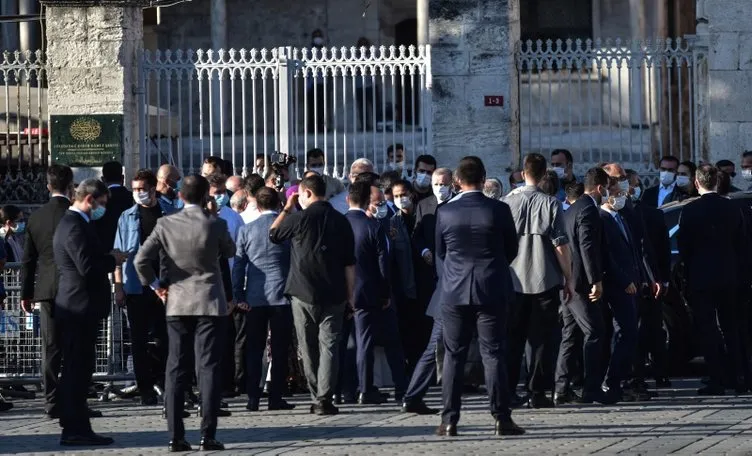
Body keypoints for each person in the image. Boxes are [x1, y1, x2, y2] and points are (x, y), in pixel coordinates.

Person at [135, 174, 236, 451]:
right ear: (206, 196)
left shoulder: (165, 223)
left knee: (175, 367)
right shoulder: (215, 223)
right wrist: (214, 218)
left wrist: (156, 286)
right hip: (209, 301)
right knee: (208, 368)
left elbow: (140, 259)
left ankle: (175, 436)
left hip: (177, 301)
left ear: (180, 196)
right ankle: (208, 434)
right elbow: (230, 251)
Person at [435, 156, 523, 437]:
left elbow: (440, 251)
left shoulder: (445, 212)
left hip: (454, 289)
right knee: (493, 353)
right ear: (484, 179)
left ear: (457, 181)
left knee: (453, 355)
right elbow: (512, 249)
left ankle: (449, 420)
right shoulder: (498, 209)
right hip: (491, 287)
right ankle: (501, 417)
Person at [269, 174, 356, 415]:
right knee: (329, 346)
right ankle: (325, 398)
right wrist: (351, 296)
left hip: (302, 291)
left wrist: (287, 208)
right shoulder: (341, 221)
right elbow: (350, 264)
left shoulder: (298, 218)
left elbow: (273, 234)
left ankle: (316, 394)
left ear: (306, 193)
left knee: (307, 347)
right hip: (335, 291)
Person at [53, 179, 127, 446]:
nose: (103, 209)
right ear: (90, 199)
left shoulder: (81, 223)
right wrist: (113, 260)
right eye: (103, 203)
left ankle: (77, 423)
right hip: (77, 306)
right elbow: (86, 265)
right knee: (76, 369)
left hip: (82, 306)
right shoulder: (73, 225)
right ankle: (74, 426)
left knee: (81, 369)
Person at [502, 153, 573, 409]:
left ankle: (509, 390)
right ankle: (537, 392)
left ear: (522, 172)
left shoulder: (506, 202)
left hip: (513, 279)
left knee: (513, 338)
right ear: (544, 174)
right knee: (542, 339)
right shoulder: (551, 203)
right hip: (544, 277)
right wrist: (569, 277)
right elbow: (560, 245)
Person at [678, 165, 745, 395]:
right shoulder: (733, 208)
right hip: (729, 276)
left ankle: (716, 379)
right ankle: (738, 377)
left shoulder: (690, 210)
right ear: (717, 182)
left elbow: (684, 247)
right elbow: (741, 243)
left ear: (696, 184)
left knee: (708, 329)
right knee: (731, 327)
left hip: (701, 278)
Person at [113, 169, 177, 406]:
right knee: (138, 340)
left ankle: (163, 381)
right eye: (135, 189)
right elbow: (118, 253)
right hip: (135, 286)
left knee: (164, 338)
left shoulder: (169, 213)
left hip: (164, 285)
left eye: (141, 189)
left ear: (153, 189)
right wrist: (118, 286)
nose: (138, 193)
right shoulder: (127, 216)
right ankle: (145, 388)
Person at [20, 164, 76, 419]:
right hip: (74, 289)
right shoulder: (75, 215)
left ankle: (51, 401)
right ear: (71, 186)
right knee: (76, 347)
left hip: (45, 290)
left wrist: (25, 293)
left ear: (48, 186)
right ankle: (75, 400)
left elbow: (28, 260)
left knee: (50, 348)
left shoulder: (35, 217)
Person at [232, 187, 295, 411]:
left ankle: (252, 397)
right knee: (279, 349)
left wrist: (238, 294)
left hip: (255, 296)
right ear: (279, 203)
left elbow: (239, 266)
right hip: (282, 295)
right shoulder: (286, 229)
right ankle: (275, 396)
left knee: (254, 349)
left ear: (256, 205)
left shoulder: (247, 230)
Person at [346, 181, 407, 403]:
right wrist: (385, 294)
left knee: (359, 343)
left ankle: (357, 388)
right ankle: (372, 388)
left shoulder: (342, 224)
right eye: (377, 202)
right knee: (380, 343)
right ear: (366, 201)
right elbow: (383, 264)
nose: (380, 206)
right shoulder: (373, 226)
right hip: (374, 293)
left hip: (351, 293)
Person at [555, 167, 611, 405]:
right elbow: (587, 247)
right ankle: (591, 389)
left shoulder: (572, 208)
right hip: (580, 283)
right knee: (595, 333)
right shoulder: (588, 210)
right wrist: (595, 280)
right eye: (607, 188)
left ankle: (560, 388)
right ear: (600, 188)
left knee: (570, 334)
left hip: (568, 281)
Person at [626, 169, 672, 388]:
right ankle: (655, 374)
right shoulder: (623, 214)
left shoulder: (650, 214)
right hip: (642, 280)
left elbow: (660, 250)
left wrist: (662, 279)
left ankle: (647, 374)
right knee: (650, 329)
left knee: (650, 329)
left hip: (645, 281)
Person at [598, 176, 642, 403]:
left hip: (632, 283)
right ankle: (611, 381)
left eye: (623, 194)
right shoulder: (602, 219)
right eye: (616, 194)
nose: (621, 197)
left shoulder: (621, 218)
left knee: (628, 334)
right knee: (625, 333)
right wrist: (625, 280)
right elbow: (608, 257)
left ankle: (618, 381)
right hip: (618, 285)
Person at [94, 161, 133, 251]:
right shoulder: (133, 198)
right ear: (123, 178)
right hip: (128, 250)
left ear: (103, 180)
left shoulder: (98, 201)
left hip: (105, 252)